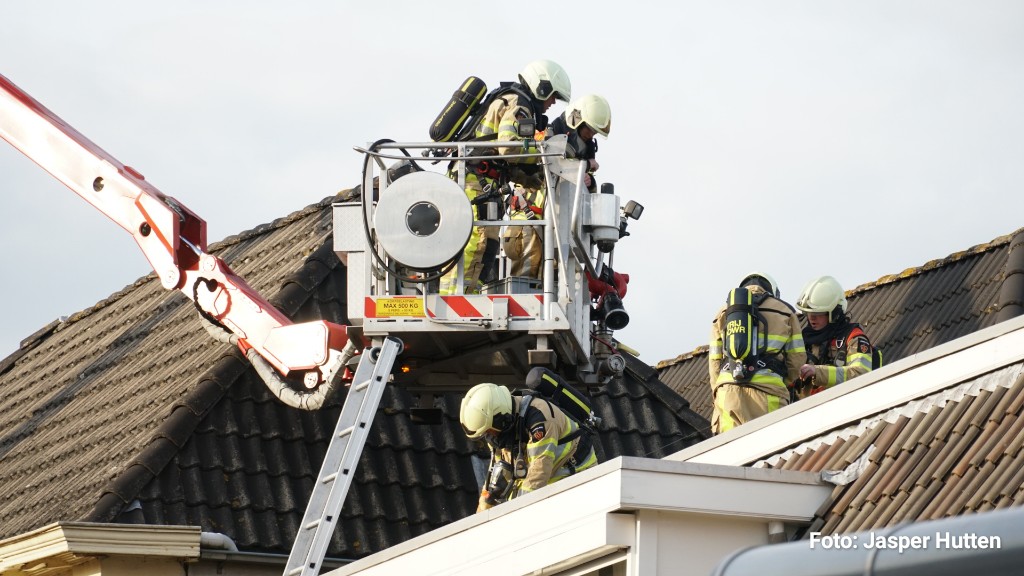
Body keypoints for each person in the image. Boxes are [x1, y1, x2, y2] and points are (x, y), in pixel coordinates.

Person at [439, 59, 572, 295]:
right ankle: (456, 300)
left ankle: (465, 296)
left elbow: (506, 160)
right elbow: (509, 148)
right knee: (476, 244)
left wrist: (537, 178)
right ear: (541, 87)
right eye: (552, 95)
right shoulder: (519, 104)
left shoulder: (512, 100)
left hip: (480, 183)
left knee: (486, 248)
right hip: (475, 184)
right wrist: (545, 155)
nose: (552, 103)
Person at [503, 94, 611, 279]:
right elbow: (546, 166)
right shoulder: (544, 137)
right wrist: (582, 166)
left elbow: (584, 193)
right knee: (525, 284)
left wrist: (590, 180)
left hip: (557, 229)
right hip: (530, 221)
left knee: (551, 285)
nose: (591, 135)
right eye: (590, 130)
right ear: (577, 121)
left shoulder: (583, 153)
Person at [459, 382, 597, 512]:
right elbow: (498, 471)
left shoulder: (540, 418)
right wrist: (483, 514)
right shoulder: (501, 431)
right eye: (486, 434)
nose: (490, 437)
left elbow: (538, 472)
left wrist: (518, 513)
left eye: (490, 431)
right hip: (548, 481)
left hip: (577, 477)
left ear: (501, 418)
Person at [708, 273, 806, 434]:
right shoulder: (786, 311)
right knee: (770, 453)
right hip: (769, 394)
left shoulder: (723, 313)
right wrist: (782, 382)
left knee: (730, 453)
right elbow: (797, 361)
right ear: (772, 290)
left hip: (728, 392)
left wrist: (718, 391)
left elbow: (714, 363)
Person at [793, 275, 874, 397]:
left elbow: (860, 374)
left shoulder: (853, 337)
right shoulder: (802, 340)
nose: (811, 318)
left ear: (834, 312)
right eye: (808, 313)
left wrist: (818, 372)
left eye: (818, 313)